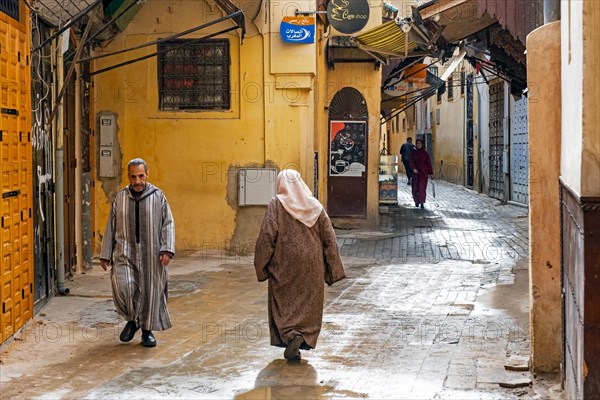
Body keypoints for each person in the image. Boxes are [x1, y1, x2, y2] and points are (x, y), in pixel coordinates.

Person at [254, 169, 346, 361]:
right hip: (312, 264)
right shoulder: (315, 206)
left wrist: (261, 265)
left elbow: (266, 237)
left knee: (284, 302)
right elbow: (329, 237)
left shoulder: (276, 205)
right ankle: (303, 335)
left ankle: (290, 334)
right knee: (309, 303)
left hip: (284, 263)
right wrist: (333, 269)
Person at [100, 158, 175, 347]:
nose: (137, 180)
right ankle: (132, 320)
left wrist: (166, 249)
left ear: (147, 175)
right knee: (123, 286)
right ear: (128, 176)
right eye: (133, 177)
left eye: (141, 176)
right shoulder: (120, 197)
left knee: (150, 291)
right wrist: (105, 254)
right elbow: (111, 225)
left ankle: (147, 331)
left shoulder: (158, 196)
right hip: (125, 252)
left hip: (151, 254)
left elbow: (168, 224)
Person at [409, 138, 434, 209]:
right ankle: (416, 201)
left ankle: (422, 202)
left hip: (423, 174)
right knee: (415, 188)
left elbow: (428, 163)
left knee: (422, 188)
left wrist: (431, 173)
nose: (419, 145)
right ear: (416, 144)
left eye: (420, 144)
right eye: (417, 144)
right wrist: (413, 168)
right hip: (416, 174)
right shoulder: (413, 153)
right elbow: (411, 162)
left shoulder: (425, 153)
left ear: (422, 144)